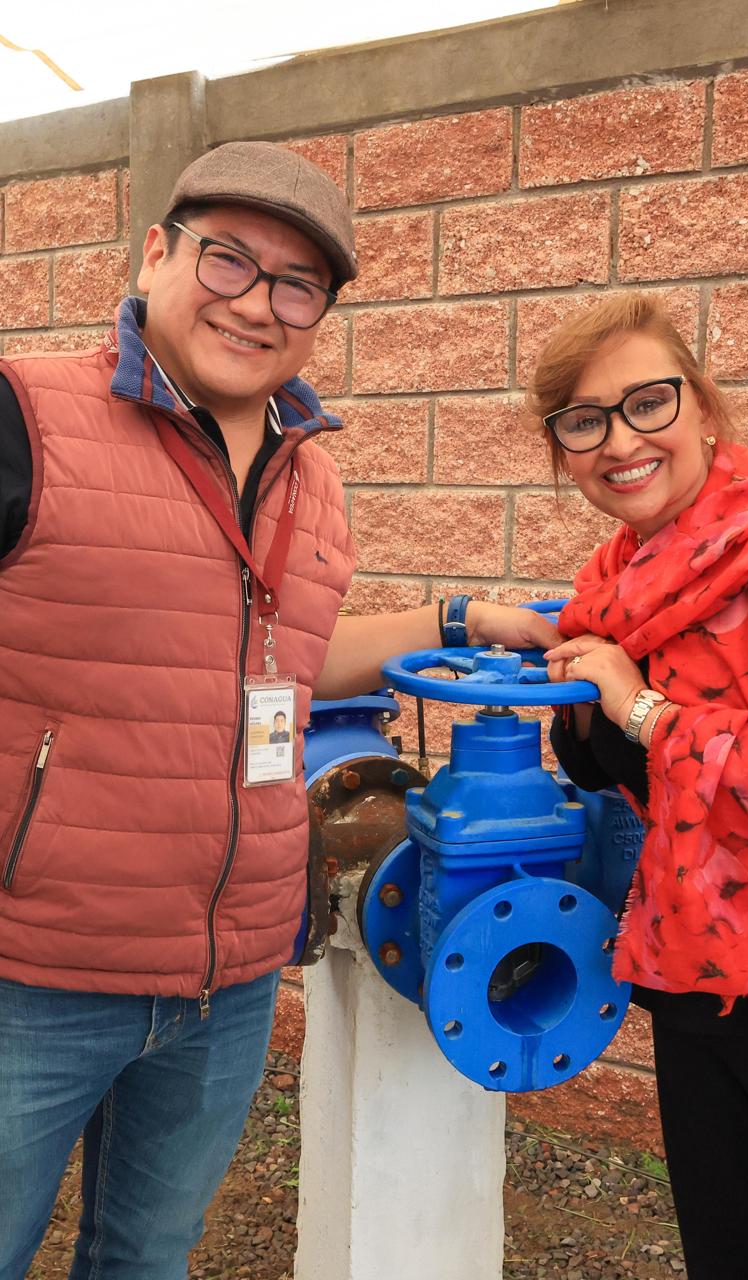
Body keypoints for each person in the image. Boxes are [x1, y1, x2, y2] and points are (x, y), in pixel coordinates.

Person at [0, 140, 557, 1279]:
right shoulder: (26, 417)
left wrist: (460, 619)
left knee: (149, 1254)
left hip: (231, 977)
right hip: (32, 973)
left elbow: (290, 664)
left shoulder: (311, 472)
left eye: (297, 284)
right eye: (228, 261)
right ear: (154, 254)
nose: (257, 304)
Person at [531, 293, 748, 1280]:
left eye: (647, 403)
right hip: (692, 970)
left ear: (702, 406)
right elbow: (614, 769)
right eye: (584, 421)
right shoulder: (623, 576)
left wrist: (639, 710)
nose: (620, 441)